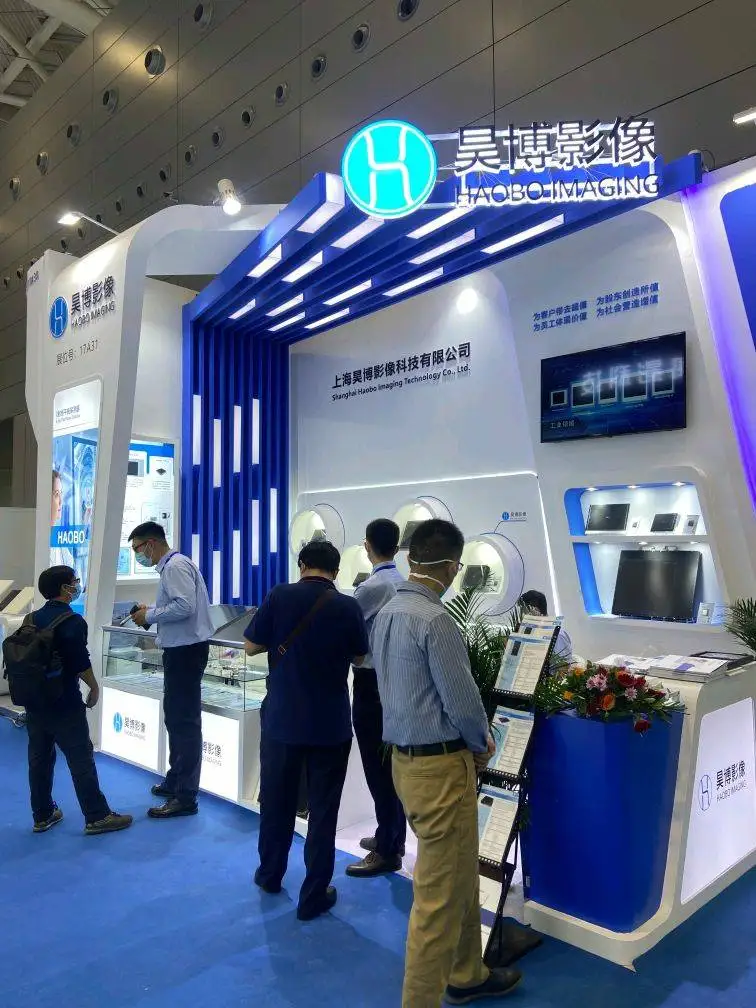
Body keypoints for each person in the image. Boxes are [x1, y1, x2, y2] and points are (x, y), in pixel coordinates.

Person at [372, 520, 522, 1007]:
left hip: (406, 764)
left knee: (459, 873)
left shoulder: (388, 611)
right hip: (441, 769)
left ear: (411, 557)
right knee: (437, 898)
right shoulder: (435, 621)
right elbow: (462, 701)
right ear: (453, 567)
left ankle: (467, 972)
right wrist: (482, 744)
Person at [243, 540, 369, 921]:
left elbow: (250, 646)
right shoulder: (348, 606)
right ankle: (313, 894)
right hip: (330, 724)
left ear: (302, 564)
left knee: (276, 801)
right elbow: (360, 656)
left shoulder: (279, 595)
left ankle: (270, 874)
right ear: (336, 571)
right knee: (323, 811)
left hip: (282, 720)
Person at [22, 566, 133, 836]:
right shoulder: (72, 621)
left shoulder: (31, 618)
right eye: (74, 582)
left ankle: (42, 814)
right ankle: (97, 816)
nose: (77, 586)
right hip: (65, 701)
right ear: (64, 588)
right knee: (80, 758)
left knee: (39, 759)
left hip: (34, 701)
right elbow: (79, 662)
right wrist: (94, 686)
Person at [129, 521, 214, 819]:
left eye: (138, 549)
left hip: (186, 652)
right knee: (176, 719)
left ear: (151, 543)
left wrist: (150, 615)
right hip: (181, 651)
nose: (138, 555)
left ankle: (185, 796)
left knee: (184, 723)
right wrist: (150, 611)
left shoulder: (175, 566)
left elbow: (184, 606)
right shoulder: (174, 566)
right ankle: (176, 780)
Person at [346, 518, 407, 879]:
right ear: (396, 549)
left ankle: (387, 849)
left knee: (377, 767)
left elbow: (349, 632)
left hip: (370, 683)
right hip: (395, 682)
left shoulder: (369, 588)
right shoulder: (403, 584)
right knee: (391, 767)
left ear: (367, 546)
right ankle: (392, 836)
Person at [519, 589, 573, 667]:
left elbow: (563, 667)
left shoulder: (557, 635)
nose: (522, 618)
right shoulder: (532, 633)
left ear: (535, 610)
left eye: (524, 613)